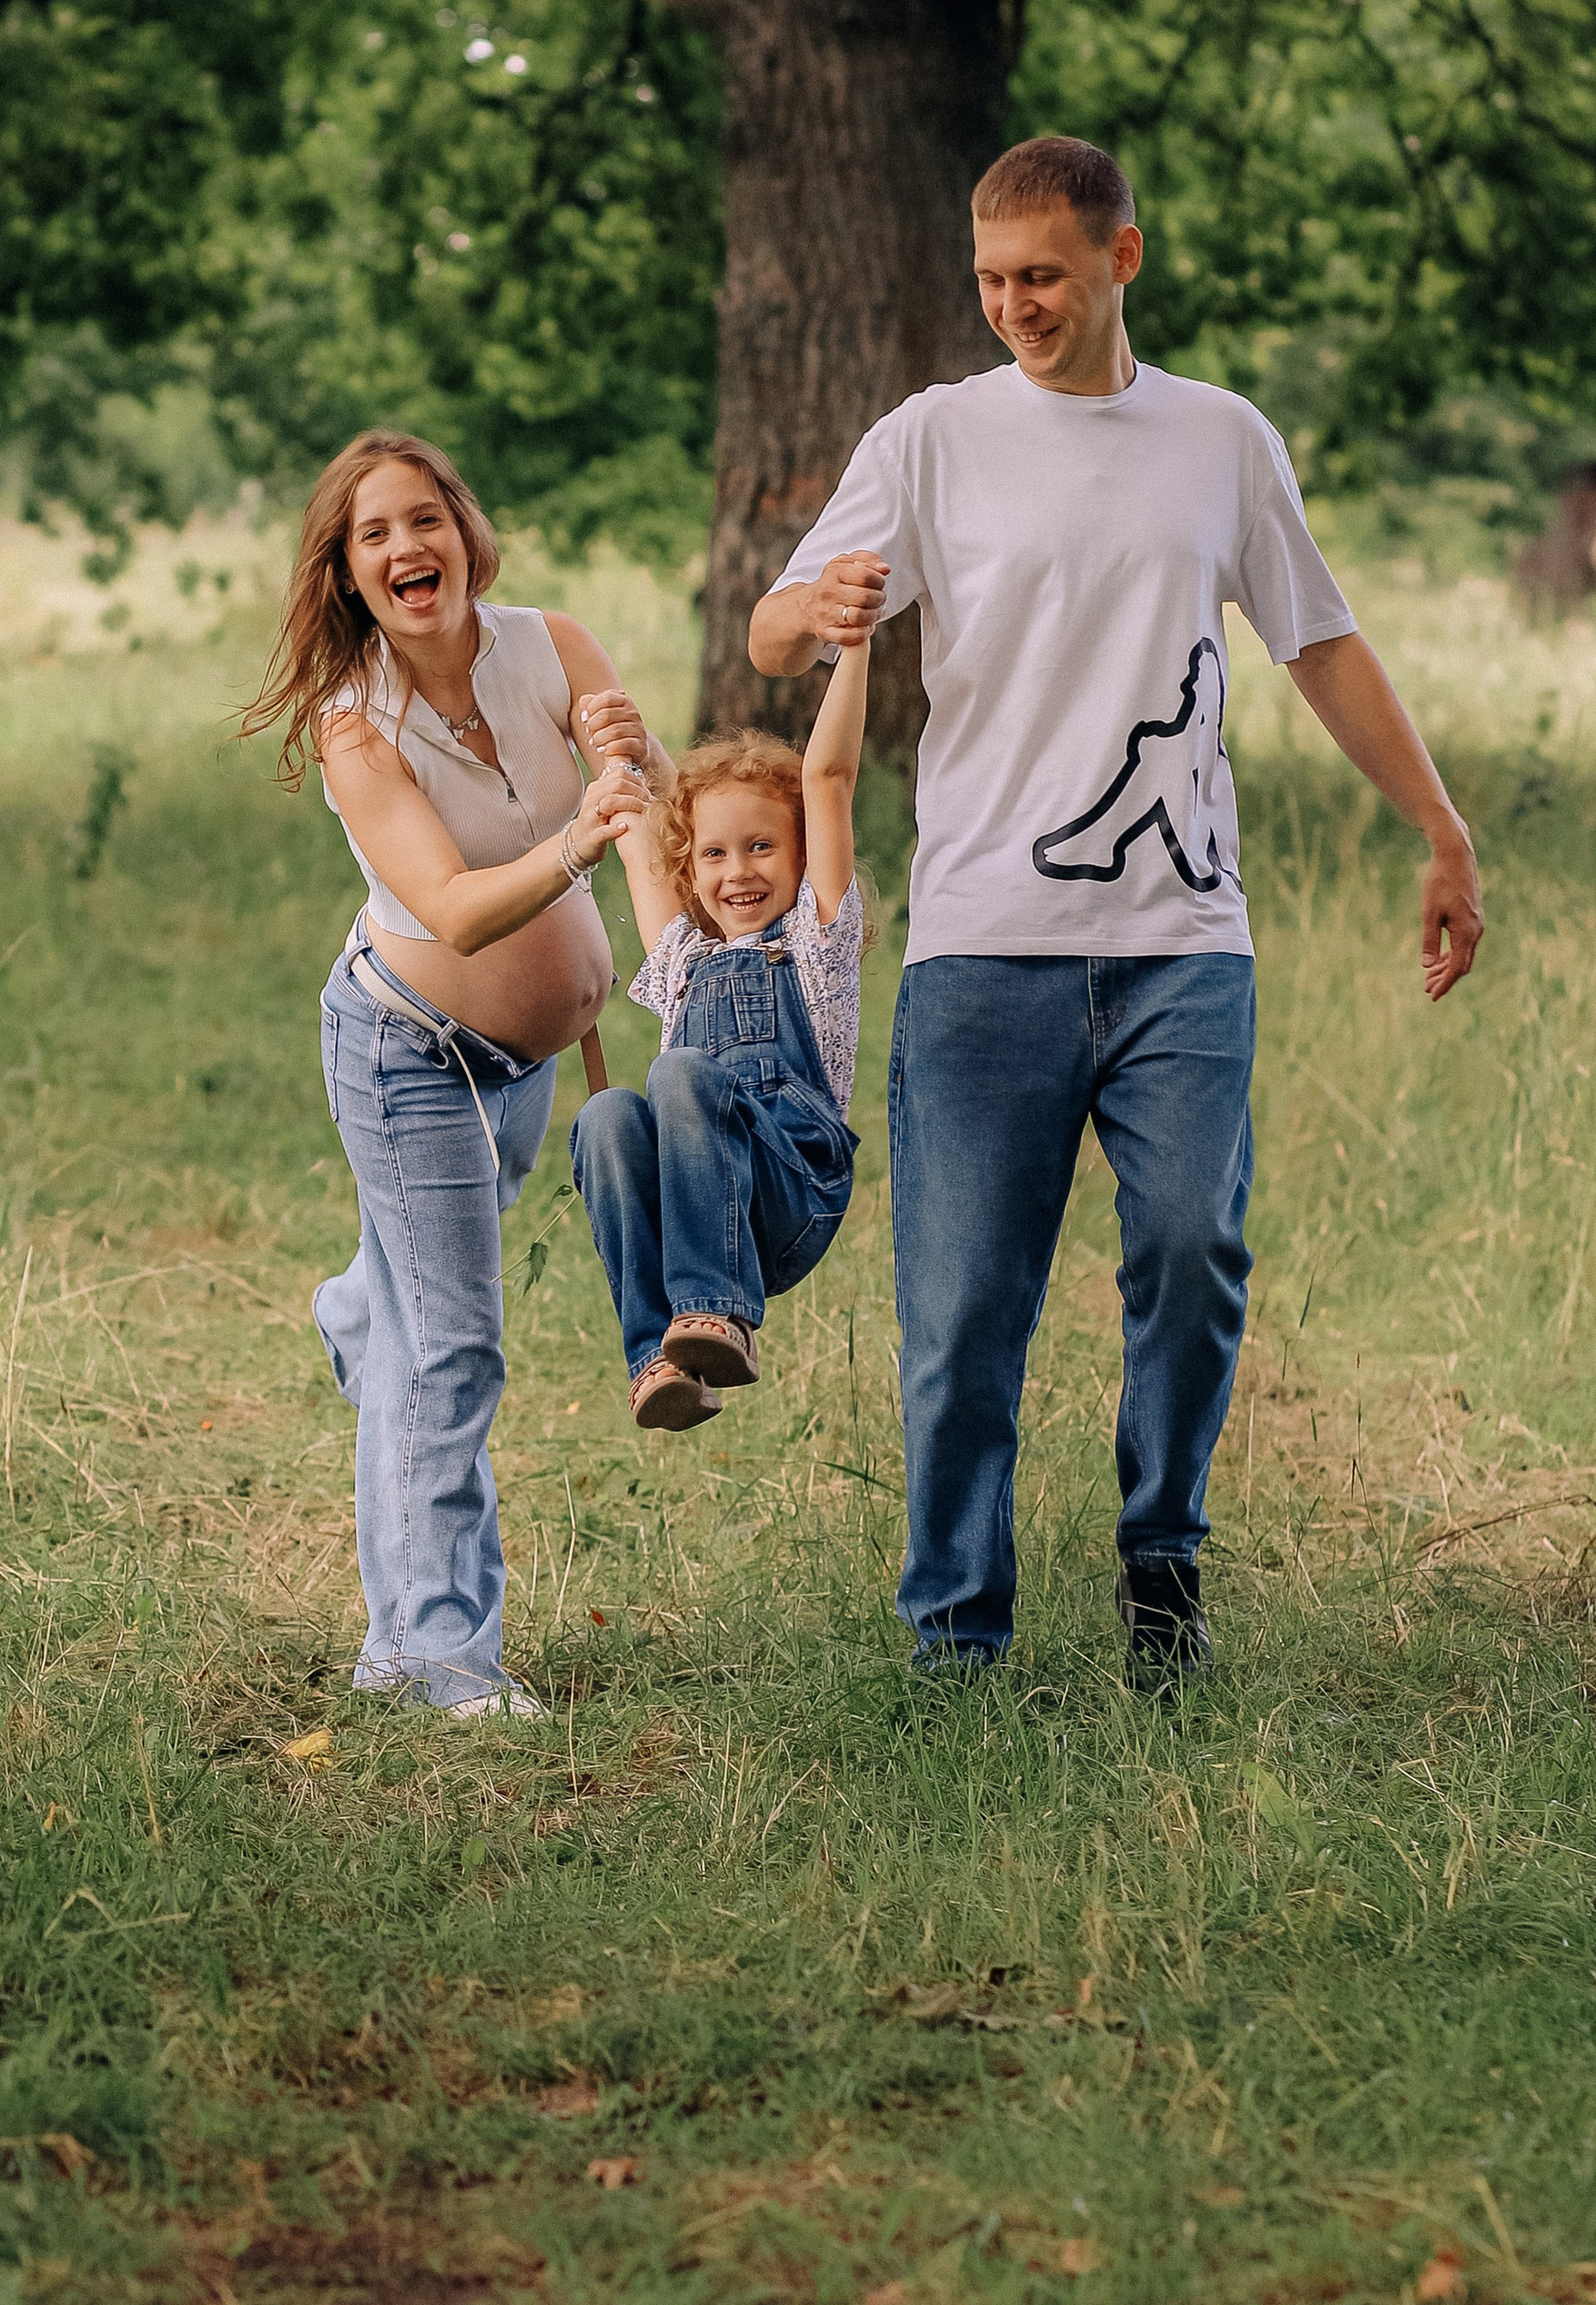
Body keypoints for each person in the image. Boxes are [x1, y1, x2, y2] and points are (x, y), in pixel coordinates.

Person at [748, 136, 1483, 1683]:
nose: (1015, 305)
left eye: (1045, 278)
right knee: (960, 1318)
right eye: (993, 280)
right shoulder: (933, 440)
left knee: (1195, 1256)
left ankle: (1164, 1568)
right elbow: (768, 632)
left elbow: (1322, 644)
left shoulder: (1219, 440)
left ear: (1120, 262)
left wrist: (1440, 826)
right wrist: (813, 610)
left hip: (1181, 947)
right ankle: (957, 1629)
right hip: (982, 942)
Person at [246, 428, 662, 1719]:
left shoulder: (553, 643)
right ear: (348, 576)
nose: (406, 547)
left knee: (414, 1318)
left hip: (519, 1068)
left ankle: (360, 1310)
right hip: (407, 1053)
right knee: (455, 1353)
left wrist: (625, 757)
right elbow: (456, 909)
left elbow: (628, 783)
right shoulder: (353, 725)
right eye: (374, 535)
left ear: (463, 532)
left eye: (423, 518)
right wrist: (585, 834)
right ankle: (428, 1659)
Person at [572, 642, 871, 1430]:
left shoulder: (816, 948)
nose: (736, 870)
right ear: (692, 868)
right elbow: (640, 844)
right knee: (604, 1117)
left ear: (803, 856)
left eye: (762, 846)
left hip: (787, 1191)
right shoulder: (683, 959)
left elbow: (830, 779)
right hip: (697, 1209)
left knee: (679, 1072)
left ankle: (719, 1316)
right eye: (713, 853)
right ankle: (658, 1359)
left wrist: (856, 651)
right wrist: (614, 750)